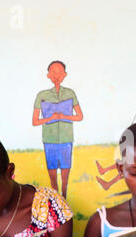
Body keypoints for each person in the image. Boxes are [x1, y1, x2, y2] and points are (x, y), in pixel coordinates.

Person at [32, 60, 84, 198]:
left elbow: (79, 116)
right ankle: (57, 201)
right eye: (53, 72)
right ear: (48, 75)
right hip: (49, 141)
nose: (56, 75)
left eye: (59, 72)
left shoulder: (70, 93)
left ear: (64, 75)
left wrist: (64, 115)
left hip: (66, 140)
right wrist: (50, 118)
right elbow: (35, 121)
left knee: (65, 178)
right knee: (53, 178)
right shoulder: (42, 95)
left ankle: (65, 199)